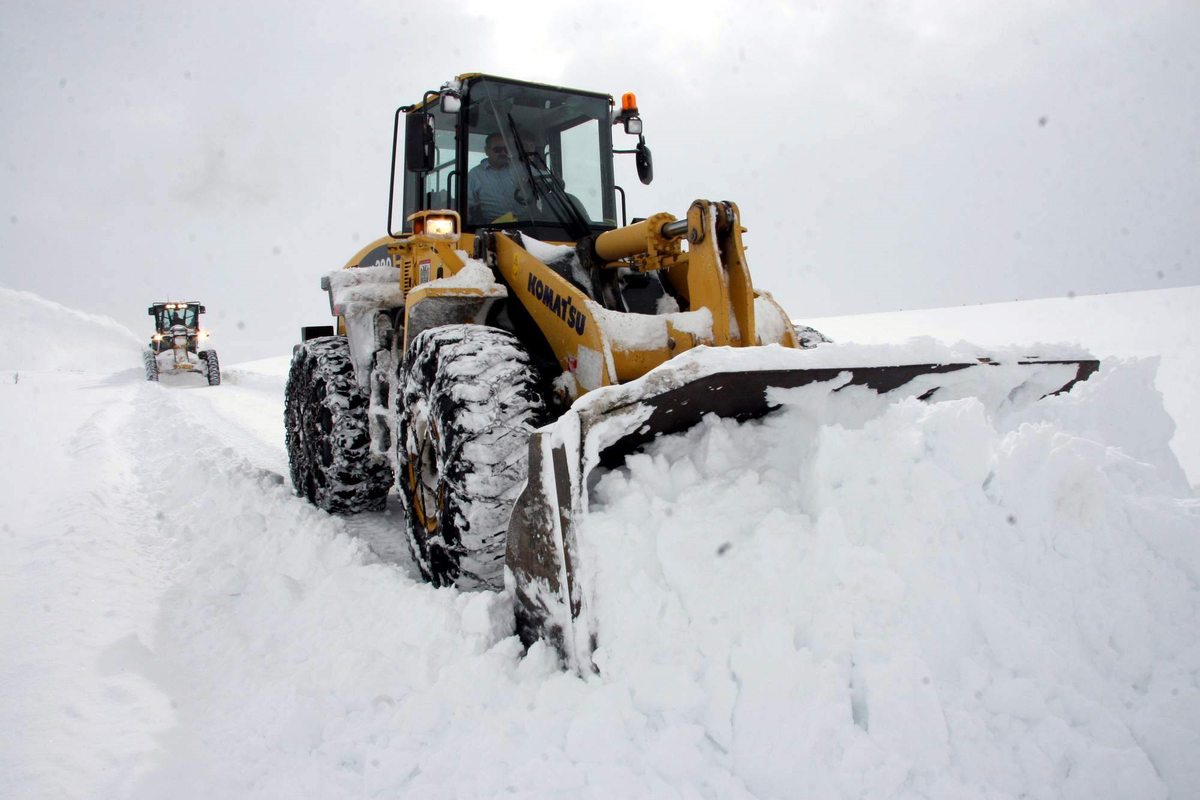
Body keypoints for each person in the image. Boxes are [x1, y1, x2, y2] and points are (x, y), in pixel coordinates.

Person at [467, 133, 525, 223]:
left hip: (526, 224)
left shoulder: (520, 168)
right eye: (497, 150)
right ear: (487, 151)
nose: (503, 153)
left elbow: (543, 179)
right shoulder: (474, 175)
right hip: (493, 228)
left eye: (506, 149)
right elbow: (467, 206)